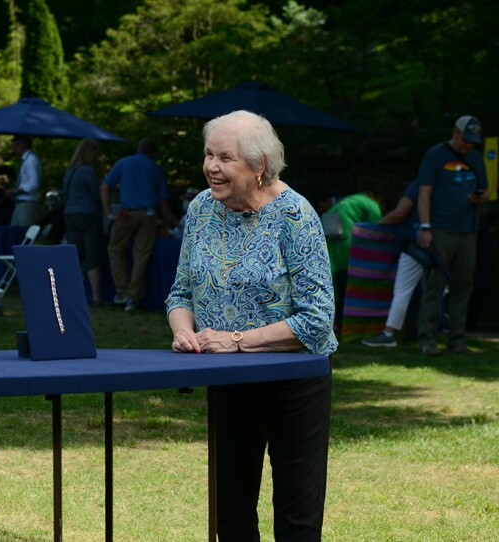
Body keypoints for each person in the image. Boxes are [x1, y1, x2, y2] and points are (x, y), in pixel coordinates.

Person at [166, 110, 336, 542]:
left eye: (225, 157)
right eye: (208, 155)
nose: (212, 167)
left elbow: (316, 319)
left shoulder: (296, 215)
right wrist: (182, 328)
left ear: (259, 165)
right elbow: (181, 292)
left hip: (291, 378)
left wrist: (237, 340)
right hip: (225, 376)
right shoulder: (202, 208)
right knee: (231, 510)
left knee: (296, 516)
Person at [416, 115, 488, 355]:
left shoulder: (476, 158)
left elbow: (485, 191)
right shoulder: (435, 155)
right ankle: (427, 339)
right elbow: (424, 193)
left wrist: (480, 198)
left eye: (473, 142)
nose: (469, 145)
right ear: (456, 133)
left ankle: (457, 340)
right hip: (440, 231)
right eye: (466, 140)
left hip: (469, 232)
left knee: (463, 286)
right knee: (434, 285)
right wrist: (425, 228)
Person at [100, 138, 174, 311]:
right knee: (141, 255)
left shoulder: (123, 163)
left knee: (114, 250)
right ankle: (133, 298)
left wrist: (109, 213)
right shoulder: (155, 168)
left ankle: (122, 291)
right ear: (152, 152)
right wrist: (169, 222)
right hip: (148, 215)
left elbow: (104, 187)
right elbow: (163, 200)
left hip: (125, 214)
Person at [362, 180, 423, 347]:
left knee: (402, 291)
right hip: (439, 242)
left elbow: (400, 212)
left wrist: (379, 224)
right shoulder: (443, 185)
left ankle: (389, 333)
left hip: (413, 245)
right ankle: (423, 334)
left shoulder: (417, 185)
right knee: (432, 292)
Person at [322, 190, 382, 331]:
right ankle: (348, 325)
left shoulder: (343, 203)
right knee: (348, 287)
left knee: (336, 287)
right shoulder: (371, 204)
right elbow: (377, 227)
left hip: (332, 249)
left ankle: (335, 324)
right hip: (348, 247)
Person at [62, 138, 105, 306]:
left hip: (70, 213)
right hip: (88, 214)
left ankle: (71, 294)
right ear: (91, 151)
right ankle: (96, 296)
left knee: (75, 254)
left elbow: (65, 193)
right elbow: (97, 193)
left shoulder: (70, 170)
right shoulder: (88, 170)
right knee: (92, 253)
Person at [6, 134, 41, 226]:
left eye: (15, 145)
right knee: (14, 231)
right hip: (21, 202)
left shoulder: (31, 160)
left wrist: (15, 191)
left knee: (23, 232)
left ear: (22, 145)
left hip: (27, 203)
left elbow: (33, 184)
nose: (13, 147)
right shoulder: (26, 160)